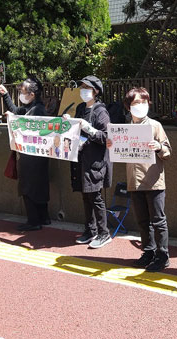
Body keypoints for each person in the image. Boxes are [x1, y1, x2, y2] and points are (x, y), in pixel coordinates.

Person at [107, 87, 171, 271]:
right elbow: (117, 153)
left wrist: (158, 146)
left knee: (158, 219)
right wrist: (111, 144)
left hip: (153, 181)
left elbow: (168, 152)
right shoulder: (124, 129)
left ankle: (162, 254)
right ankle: (148, 251)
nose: (140, 106)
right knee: (142, 220)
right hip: (134, 182)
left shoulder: (155, 125)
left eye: (144, 102)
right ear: (128, 107)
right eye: (136, 102)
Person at [0, 77, 50, 231]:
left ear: (32, 94)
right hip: (36, 155)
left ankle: (34, 221)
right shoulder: (32, 108)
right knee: (38, 187)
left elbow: (22, 121)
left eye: (22, 91)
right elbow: (15, 111)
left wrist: (13, 118)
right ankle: (43, 218)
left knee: (29, 188)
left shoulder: (37, 109)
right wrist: (5, 95)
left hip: (32, 157)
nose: (21, 94)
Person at [70, 76, 113, 249]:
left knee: (95, 197)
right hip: (81, 158)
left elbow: (106, 136)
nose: (83, 90)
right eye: (82, 87)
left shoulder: (100, 111)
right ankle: (90, 230)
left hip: (95, 161)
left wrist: (88, 128)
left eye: (87, 87)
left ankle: (104, 233)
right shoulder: (81, 108)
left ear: (96, 91)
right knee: (85, 195)